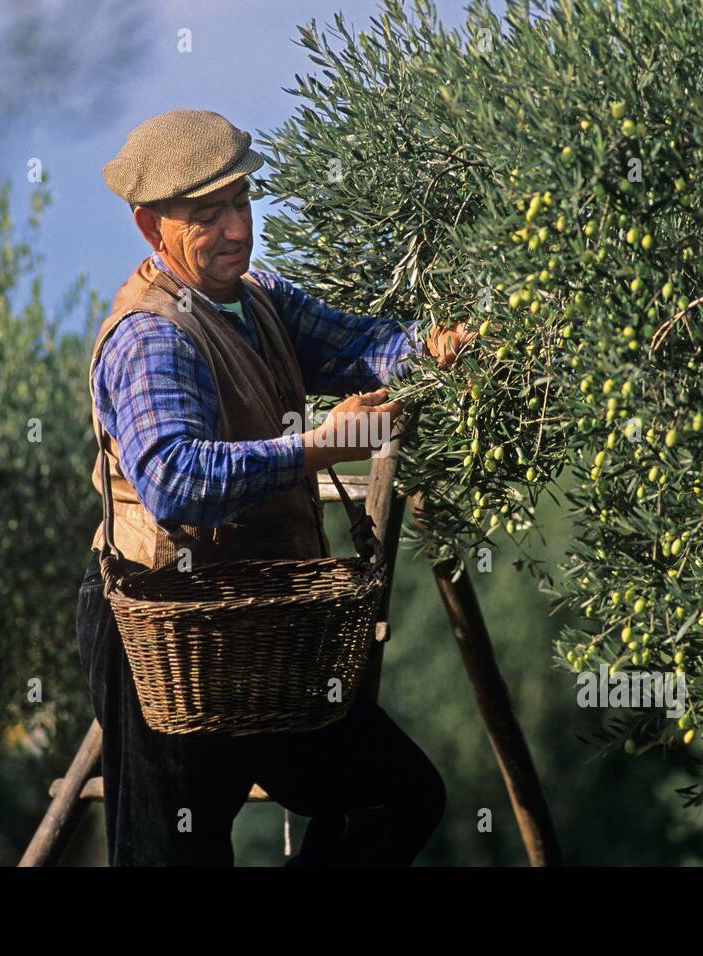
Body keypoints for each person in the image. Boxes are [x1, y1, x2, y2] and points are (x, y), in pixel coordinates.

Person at [77, 109, 473, 866]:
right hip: (165, 636)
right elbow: (176, 480)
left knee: (395, 796)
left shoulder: (258, 301)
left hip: (263, 633)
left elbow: (359, 343)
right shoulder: (152, 337)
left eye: (240, 203)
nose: (235, 230)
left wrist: (430, 349)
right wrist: (321, 447)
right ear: (150, 228)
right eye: (207, 215)